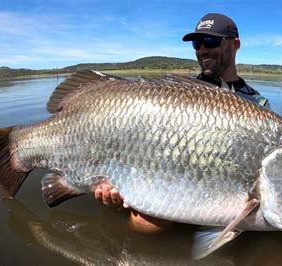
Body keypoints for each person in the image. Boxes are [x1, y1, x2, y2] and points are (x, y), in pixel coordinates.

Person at [94, 13, 270, 234]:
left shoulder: (258, 104)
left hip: (226, 185)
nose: (202, 49)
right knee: (146, 225)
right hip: (179, 179)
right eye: (197, 43)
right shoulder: (177, 94)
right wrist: (123, 184)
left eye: (211, 41)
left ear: (235, 45)